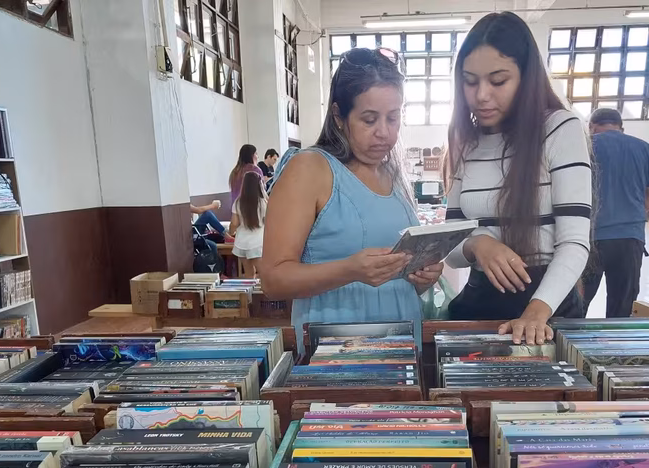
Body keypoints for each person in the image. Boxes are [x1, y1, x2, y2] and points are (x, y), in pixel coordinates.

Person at [258, 47, 443, 347]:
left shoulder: (393, 173)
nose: (384, 132)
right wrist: (350, 270)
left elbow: (399, 278)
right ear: (338, 116)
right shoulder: (310, 168)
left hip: (403, 339)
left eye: (393, 118)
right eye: (369, 120)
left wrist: (423, 275)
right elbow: (273, 280)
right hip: (337, 345)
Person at [443, 12, 592, 344]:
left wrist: (537, 311)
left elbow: (574, 242)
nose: (481, 95)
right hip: (479, 306)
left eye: (498, 81)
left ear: (527, 78)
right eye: (470, 81)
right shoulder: (466, 142)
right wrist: (478, 244)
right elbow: (449, 246)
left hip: (547, 308)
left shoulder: (559, 129)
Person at [582, 108, 649, 318]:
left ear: (591, 126)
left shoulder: (584, 146)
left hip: (587, 239)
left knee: (575, 307)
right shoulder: (644, 148)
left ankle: (570, 340)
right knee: (621, 310)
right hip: (629, 238)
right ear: (621, 127)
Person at [230, 171, 267, 277]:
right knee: (264, 273)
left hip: (242, 242)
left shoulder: (238, 202)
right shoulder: (262, 202)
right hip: (257, 243)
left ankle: (250, 288)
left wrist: (231, 232)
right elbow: (268, 222)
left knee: (249, 273)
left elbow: (234, 223)